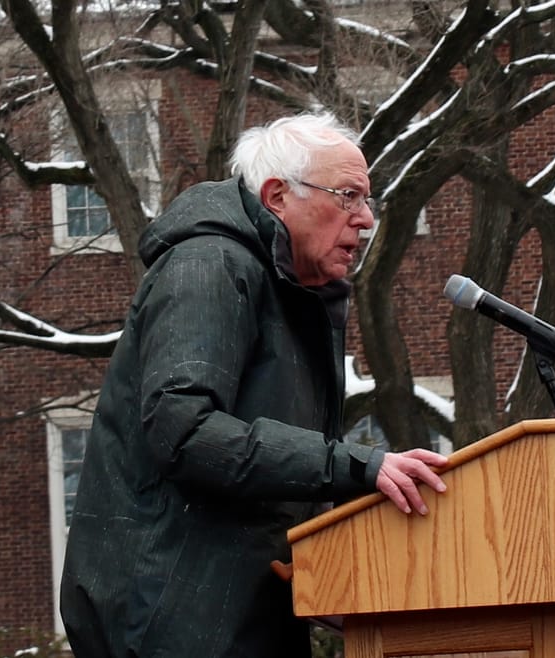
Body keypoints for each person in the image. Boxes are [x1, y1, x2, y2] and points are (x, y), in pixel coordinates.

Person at [60, 113, 448, 658]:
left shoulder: (285, 288)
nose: (365, 219)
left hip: (238, 616)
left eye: (368, 201)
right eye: (348, 196)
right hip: (171, 622)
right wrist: (358, 467)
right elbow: (185, 431)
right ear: (276, 196)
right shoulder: (209, 266)